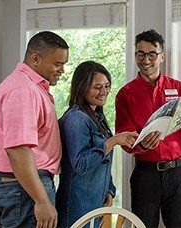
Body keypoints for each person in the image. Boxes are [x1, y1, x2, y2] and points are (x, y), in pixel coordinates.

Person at [115, 29, 181, 227]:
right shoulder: (125, 94)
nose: (145, 60)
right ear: (135, 55)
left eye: (152, 54)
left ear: (161, 56)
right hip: (145, 175)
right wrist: (142, 146)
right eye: (140, 54)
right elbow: (125, 138)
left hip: (179, 174)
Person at [0, 31, 69, 227]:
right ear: (35, 59)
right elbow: (18, 149)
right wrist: (41, 200)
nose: (62, 70)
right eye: (58, 64)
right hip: (25, 188)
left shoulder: (32, 87)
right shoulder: (23, 90)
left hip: (23, 186)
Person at [56, 61, 138, 227]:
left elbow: (102, 162)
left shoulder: (96, 116)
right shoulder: (76, 118)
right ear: (82, 87)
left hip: (95, 203)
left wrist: (108, 189)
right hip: (77, 205)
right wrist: (113, 141)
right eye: (97, 87)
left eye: (107, 86)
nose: (104, 92)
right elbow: (80, 164)